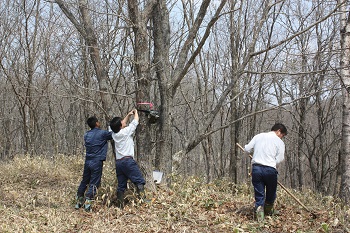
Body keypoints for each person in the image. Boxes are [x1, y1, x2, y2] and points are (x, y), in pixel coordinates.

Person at [244, 123, 287, 221]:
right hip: (270, 170)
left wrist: (249, 154)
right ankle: (268, 210)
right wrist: (272, 163)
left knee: (259, 192)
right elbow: (280, 159)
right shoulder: (279, 142)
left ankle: (260, 211)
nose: (282, 137)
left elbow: (247, 149)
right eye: (282, 135)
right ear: (278, 131)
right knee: (271, 191)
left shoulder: (259, 136)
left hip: (257, 168)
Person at [109, 109, 146, 209]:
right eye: (122, 122)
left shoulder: (113, 133)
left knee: (121, 185)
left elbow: (122, 124)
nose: (124, 122)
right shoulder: (125, 132)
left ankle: (120, 206)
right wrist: (136, 113)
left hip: (119, 163)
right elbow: (135, 122)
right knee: (139, 181)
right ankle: (143, 202)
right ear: (120, 126)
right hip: (128, 161)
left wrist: (128, 115)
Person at [75, 116, 113, 212]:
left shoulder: (86, 135)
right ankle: (88, 202)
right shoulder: (102, 133)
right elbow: (113, 134)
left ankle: (79, 200)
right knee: (94, 182)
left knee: (85, 180)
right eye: (98, 122)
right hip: (97, 161)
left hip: (88, 161)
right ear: (96, 123)